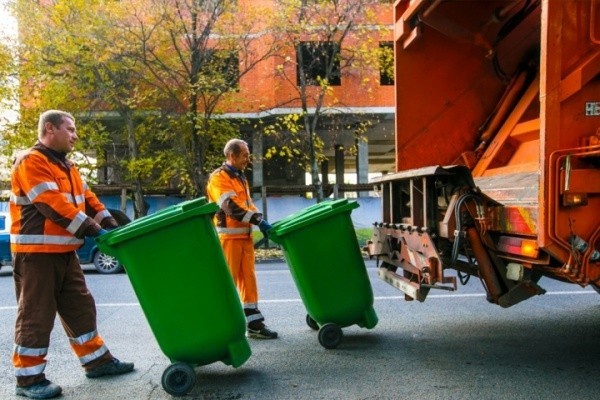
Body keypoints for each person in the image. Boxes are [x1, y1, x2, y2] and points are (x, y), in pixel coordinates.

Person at [9, 110, 134, 399]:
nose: (75, 135)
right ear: (50, 129)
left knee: (81, 307)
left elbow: (89, 201)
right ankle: (28, 380)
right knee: (36, 315)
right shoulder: (32, 161)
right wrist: (93, 230)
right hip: (36, 255)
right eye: (70, 129)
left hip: (65, 253)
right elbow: (52, 205)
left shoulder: (68, 166)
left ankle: (96, 361)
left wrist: (110, 225)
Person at [206, 138, 278, 340]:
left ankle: (254, 324)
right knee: (227, 284)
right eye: (244, 155)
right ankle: (218, 326)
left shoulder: (240, 177)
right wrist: (258, 220)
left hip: (244, 238)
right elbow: (230, 207)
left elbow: (247, 205)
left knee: (249, 281)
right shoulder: (218, 178)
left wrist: (261, 220)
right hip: (228, 240)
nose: (248, 159)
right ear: (231, 156)